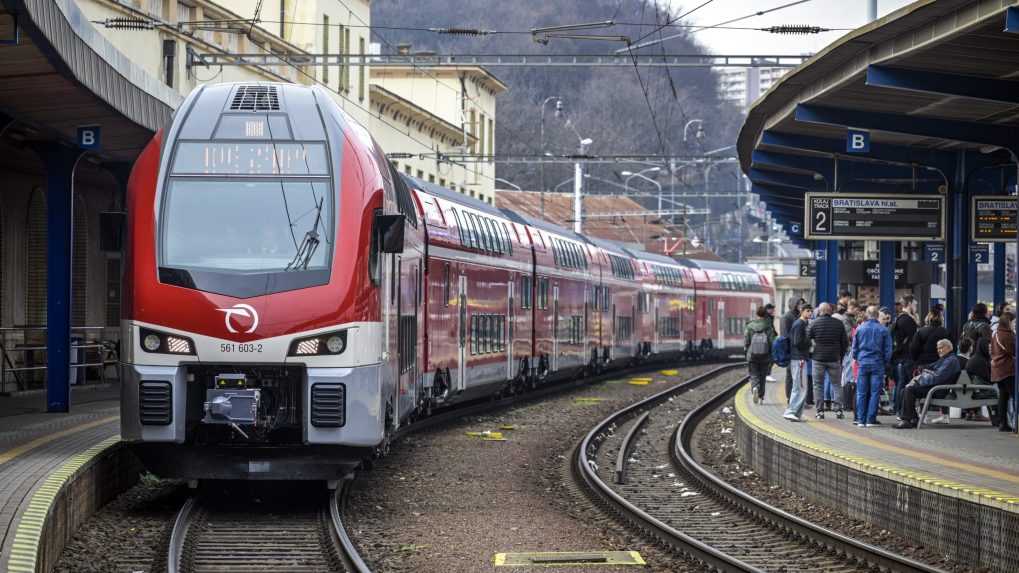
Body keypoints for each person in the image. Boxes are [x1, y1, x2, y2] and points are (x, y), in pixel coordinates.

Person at [894, 339, 961, 429]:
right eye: (938, 348)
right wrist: (923, 370)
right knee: (904, 390)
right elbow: (930, 368)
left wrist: (919, 380)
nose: (939, 350)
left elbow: (937, 377)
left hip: (939, 389)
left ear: (949, 348)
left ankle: (907, 420)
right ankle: (912, 419)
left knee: (909, 390)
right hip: (936, 387)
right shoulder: (945, 359)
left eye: (942, 348)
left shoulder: (951, 360)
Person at [852, 305, 892, 427]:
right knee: (875, 392)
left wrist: (858, 359)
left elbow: (854, 349)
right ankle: (870, 420)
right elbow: (888, 350)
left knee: (861, 392)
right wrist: (885, 362)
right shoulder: (883, 330)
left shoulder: (860, 329)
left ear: (867, 315)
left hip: (863, 363)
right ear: (877, 315)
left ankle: (860, 420)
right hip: (877, 363)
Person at [808, 302, 849, 419]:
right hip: (834, 358)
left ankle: (820, 411)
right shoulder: (838, 323)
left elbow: (807, 339)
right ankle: (839, 410)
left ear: (820, 311)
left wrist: (811, 353)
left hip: (818, 358)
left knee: (818, 385)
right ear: (830, 311)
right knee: (836, 384)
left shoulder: (814, 323)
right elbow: (845, 343)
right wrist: (840, 356)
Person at [783, 304, 813, 422]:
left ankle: (795, 414)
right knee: (800, 386)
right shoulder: (799, 324)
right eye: (808, 311)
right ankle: (791, 411)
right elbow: (797, 342)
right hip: (799, 358)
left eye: (811, 311)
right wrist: (809, 341)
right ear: (802, 311)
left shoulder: (801, 324)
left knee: (800, 386)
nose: (810, 313)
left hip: (799, 358)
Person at [890, 296, 918, 419]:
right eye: (915, 304)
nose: (916, 306)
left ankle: (897, 409)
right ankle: (901, 411)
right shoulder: (908, 321)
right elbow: (913, 341)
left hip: (899, 357)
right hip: (906, 357)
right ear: (910, 304)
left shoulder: (899, 319)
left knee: (900, 384)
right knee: (905, 385)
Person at [745, 306, 778, 404]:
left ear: (757, 314)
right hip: (765, 355)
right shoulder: (768, 326)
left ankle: (755, 387)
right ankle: (761, 397)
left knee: (754, 374)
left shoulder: (750, 325)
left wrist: (747, 351)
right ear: (765, 314)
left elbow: (746, 341)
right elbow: (773, 342)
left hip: (752, 355)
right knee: (762, 376)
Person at [990, 311, 1015, 432]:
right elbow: (1013, 351)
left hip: (998, 369)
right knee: (1015, 396)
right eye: (1013, 322)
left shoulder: (996, 333)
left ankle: (1003, 423)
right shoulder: (1007, 335)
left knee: (1003, 397)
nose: (1014, 324)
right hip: (1007, 369)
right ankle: (1012, 422)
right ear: (1008, 322)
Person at [780, 298, 801, 400]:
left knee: (796, 376)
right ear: (794, 305)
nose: (801, 305)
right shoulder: (786, 317)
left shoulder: (797, 316)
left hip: (797, 350)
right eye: (799, 304)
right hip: (790, 350)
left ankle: (794, 398)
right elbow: (785, 335)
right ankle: (790, 398)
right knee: (790, 375)